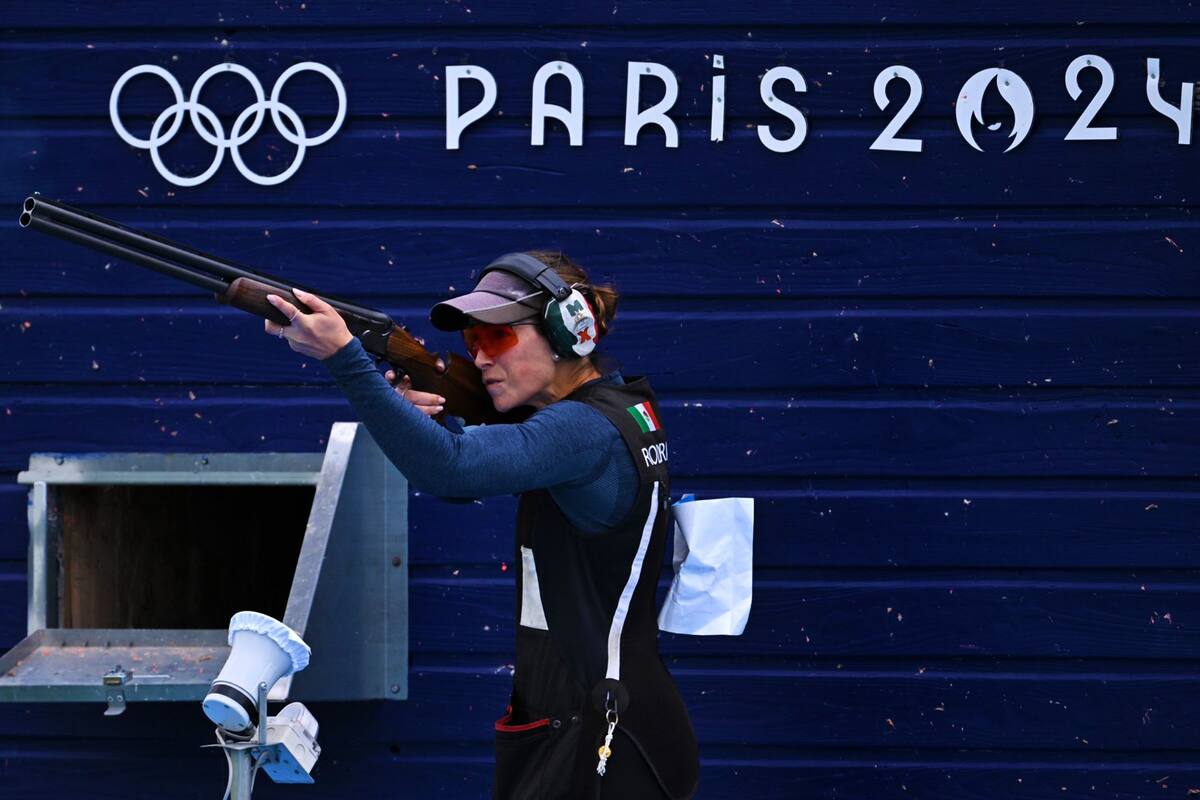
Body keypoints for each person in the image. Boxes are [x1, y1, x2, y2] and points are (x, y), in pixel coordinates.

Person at [262, 250, 699, 799]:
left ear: (568, 332)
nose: (482, 358)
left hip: (601, 739)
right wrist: (428, 420)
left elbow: (454, 468)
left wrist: (347, 359)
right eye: (473, 342)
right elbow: (458, 474)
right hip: (589, 721)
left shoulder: (585, 429)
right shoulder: (616, 407)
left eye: (498, 337)